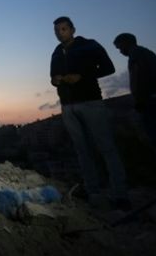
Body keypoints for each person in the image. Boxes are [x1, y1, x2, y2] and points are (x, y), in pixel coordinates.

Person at [50, 16, 130, 210]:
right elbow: (52, 78)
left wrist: (82, 76)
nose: (60, 33)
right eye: (57, 31)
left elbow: (108, 68)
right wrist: (57, 80)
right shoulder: (56, 52)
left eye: (63, 29)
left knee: (106, 148)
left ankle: (120, 194)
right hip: (68, 106)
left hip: (90, 102)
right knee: (82, 151)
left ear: (72, 29)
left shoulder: (89, 45)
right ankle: (93, 191)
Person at [114, 33, 156, 190]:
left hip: (149, 102)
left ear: (127, 43)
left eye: (120, 47)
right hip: (152, 101)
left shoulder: (138, 55)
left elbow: (145, 79)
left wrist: (146, 99)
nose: (120, 51)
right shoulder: (145, 53)